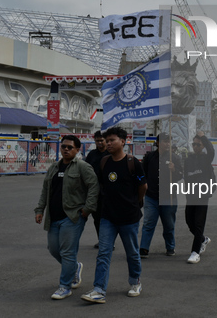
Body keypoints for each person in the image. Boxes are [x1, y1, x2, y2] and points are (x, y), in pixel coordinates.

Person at [81, 126, 147, 304]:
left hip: (129, 218)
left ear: (123, 142)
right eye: (107, 141)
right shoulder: (104, 163)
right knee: (103, 253)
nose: (108, 143)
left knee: (132, 253)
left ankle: (135, 282)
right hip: (108, 217)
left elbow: (143, 187)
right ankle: (99, 289)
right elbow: (100, 186)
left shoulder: (134, 163)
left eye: (112, 140)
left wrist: (135, 203)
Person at [34, 135, 99, 300]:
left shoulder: (83, 167)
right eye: (64, 147)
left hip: (73, 216)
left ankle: (65, 286)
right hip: (54, 217)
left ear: (77, 150)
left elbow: (93, 186)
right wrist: (40, 209)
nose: (66, 149)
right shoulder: (54, 167)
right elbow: (45, 190)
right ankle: (74, 268)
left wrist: (87, 209)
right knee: (54, 249)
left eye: (70, 147)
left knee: (67, 252)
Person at [139, 133, 183, 258]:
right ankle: (144, 248)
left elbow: (180, 175)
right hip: (151, 196)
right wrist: (143, 186)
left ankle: (170, 247)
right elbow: (142, 173)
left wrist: (174, 170)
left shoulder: (175, 158)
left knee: (169, 225)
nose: (167, 144)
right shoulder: (149, 157)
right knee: (148, 223)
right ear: (158, 143)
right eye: (165, 141)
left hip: (168, 197)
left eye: (169, 141)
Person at [183, 130, 215, 264]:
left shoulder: (206, 159)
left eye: (198, 145)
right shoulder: (188, 159)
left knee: (198, 223)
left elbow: (211, 150)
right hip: (190, 195)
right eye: (194, 144)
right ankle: (202, 239)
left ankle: (195, 252)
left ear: (203, 146)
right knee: (189, 222)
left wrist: (204, 138)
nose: (195, 147)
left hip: (202, 195)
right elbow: (185, 175)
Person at [84, 130, 110, 247]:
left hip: (108, 191)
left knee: (108, 217)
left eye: (101, 140)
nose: (99, 143)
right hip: (94, 191)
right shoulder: (92, 155)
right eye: (97, 140)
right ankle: (102, 240)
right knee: (97, 217)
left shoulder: (111, 154)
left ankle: (109, 241)